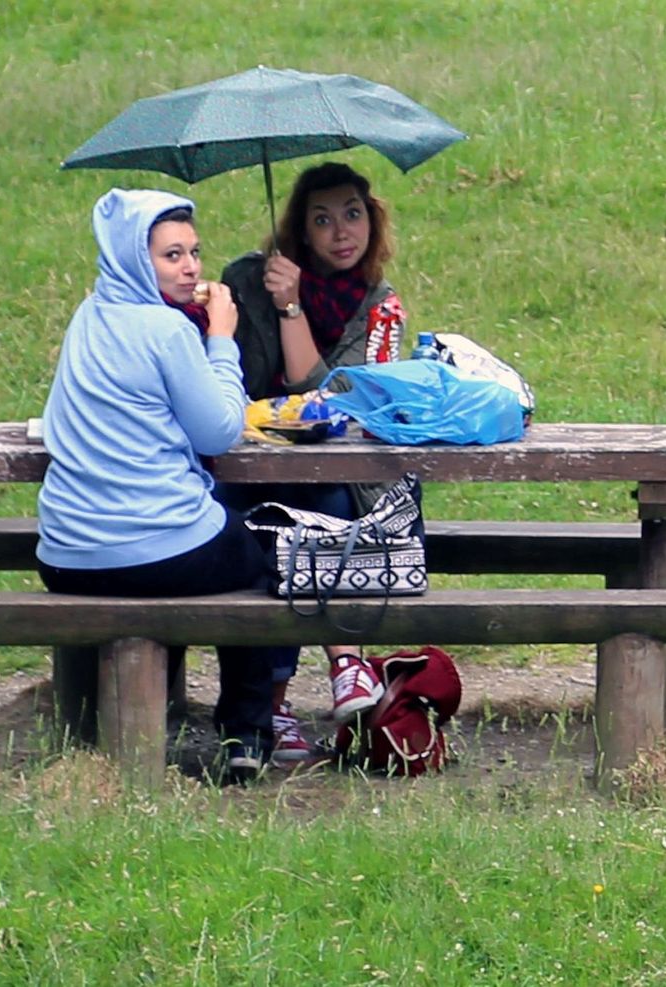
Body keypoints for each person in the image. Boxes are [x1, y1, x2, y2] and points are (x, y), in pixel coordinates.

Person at [36, 187, 278, 781]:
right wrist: (221, 337)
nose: (192, 267)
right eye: (171, 255)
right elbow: (220, 432)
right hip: (155, 553)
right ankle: (245, 733)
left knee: (220, 525)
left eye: (194, 252)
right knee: (264, 557)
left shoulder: (88, 317)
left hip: (65, 556)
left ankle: (102, 716)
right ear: (131, 259)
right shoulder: (168, 331)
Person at [220, 162, 407, 764]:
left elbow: (333, 398)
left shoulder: (379, 306)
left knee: (323, 508)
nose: (340, 232)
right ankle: (315, 679)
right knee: (281, 525)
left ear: (372, 220)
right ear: (300, 231)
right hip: (251, 468)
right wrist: (277, 302)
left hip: (338, 477)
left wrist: (295, 310)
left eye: (352, 214)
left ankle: (317, 680)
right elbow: (235, 382)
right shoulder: (248, 283)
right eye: (321, 220)